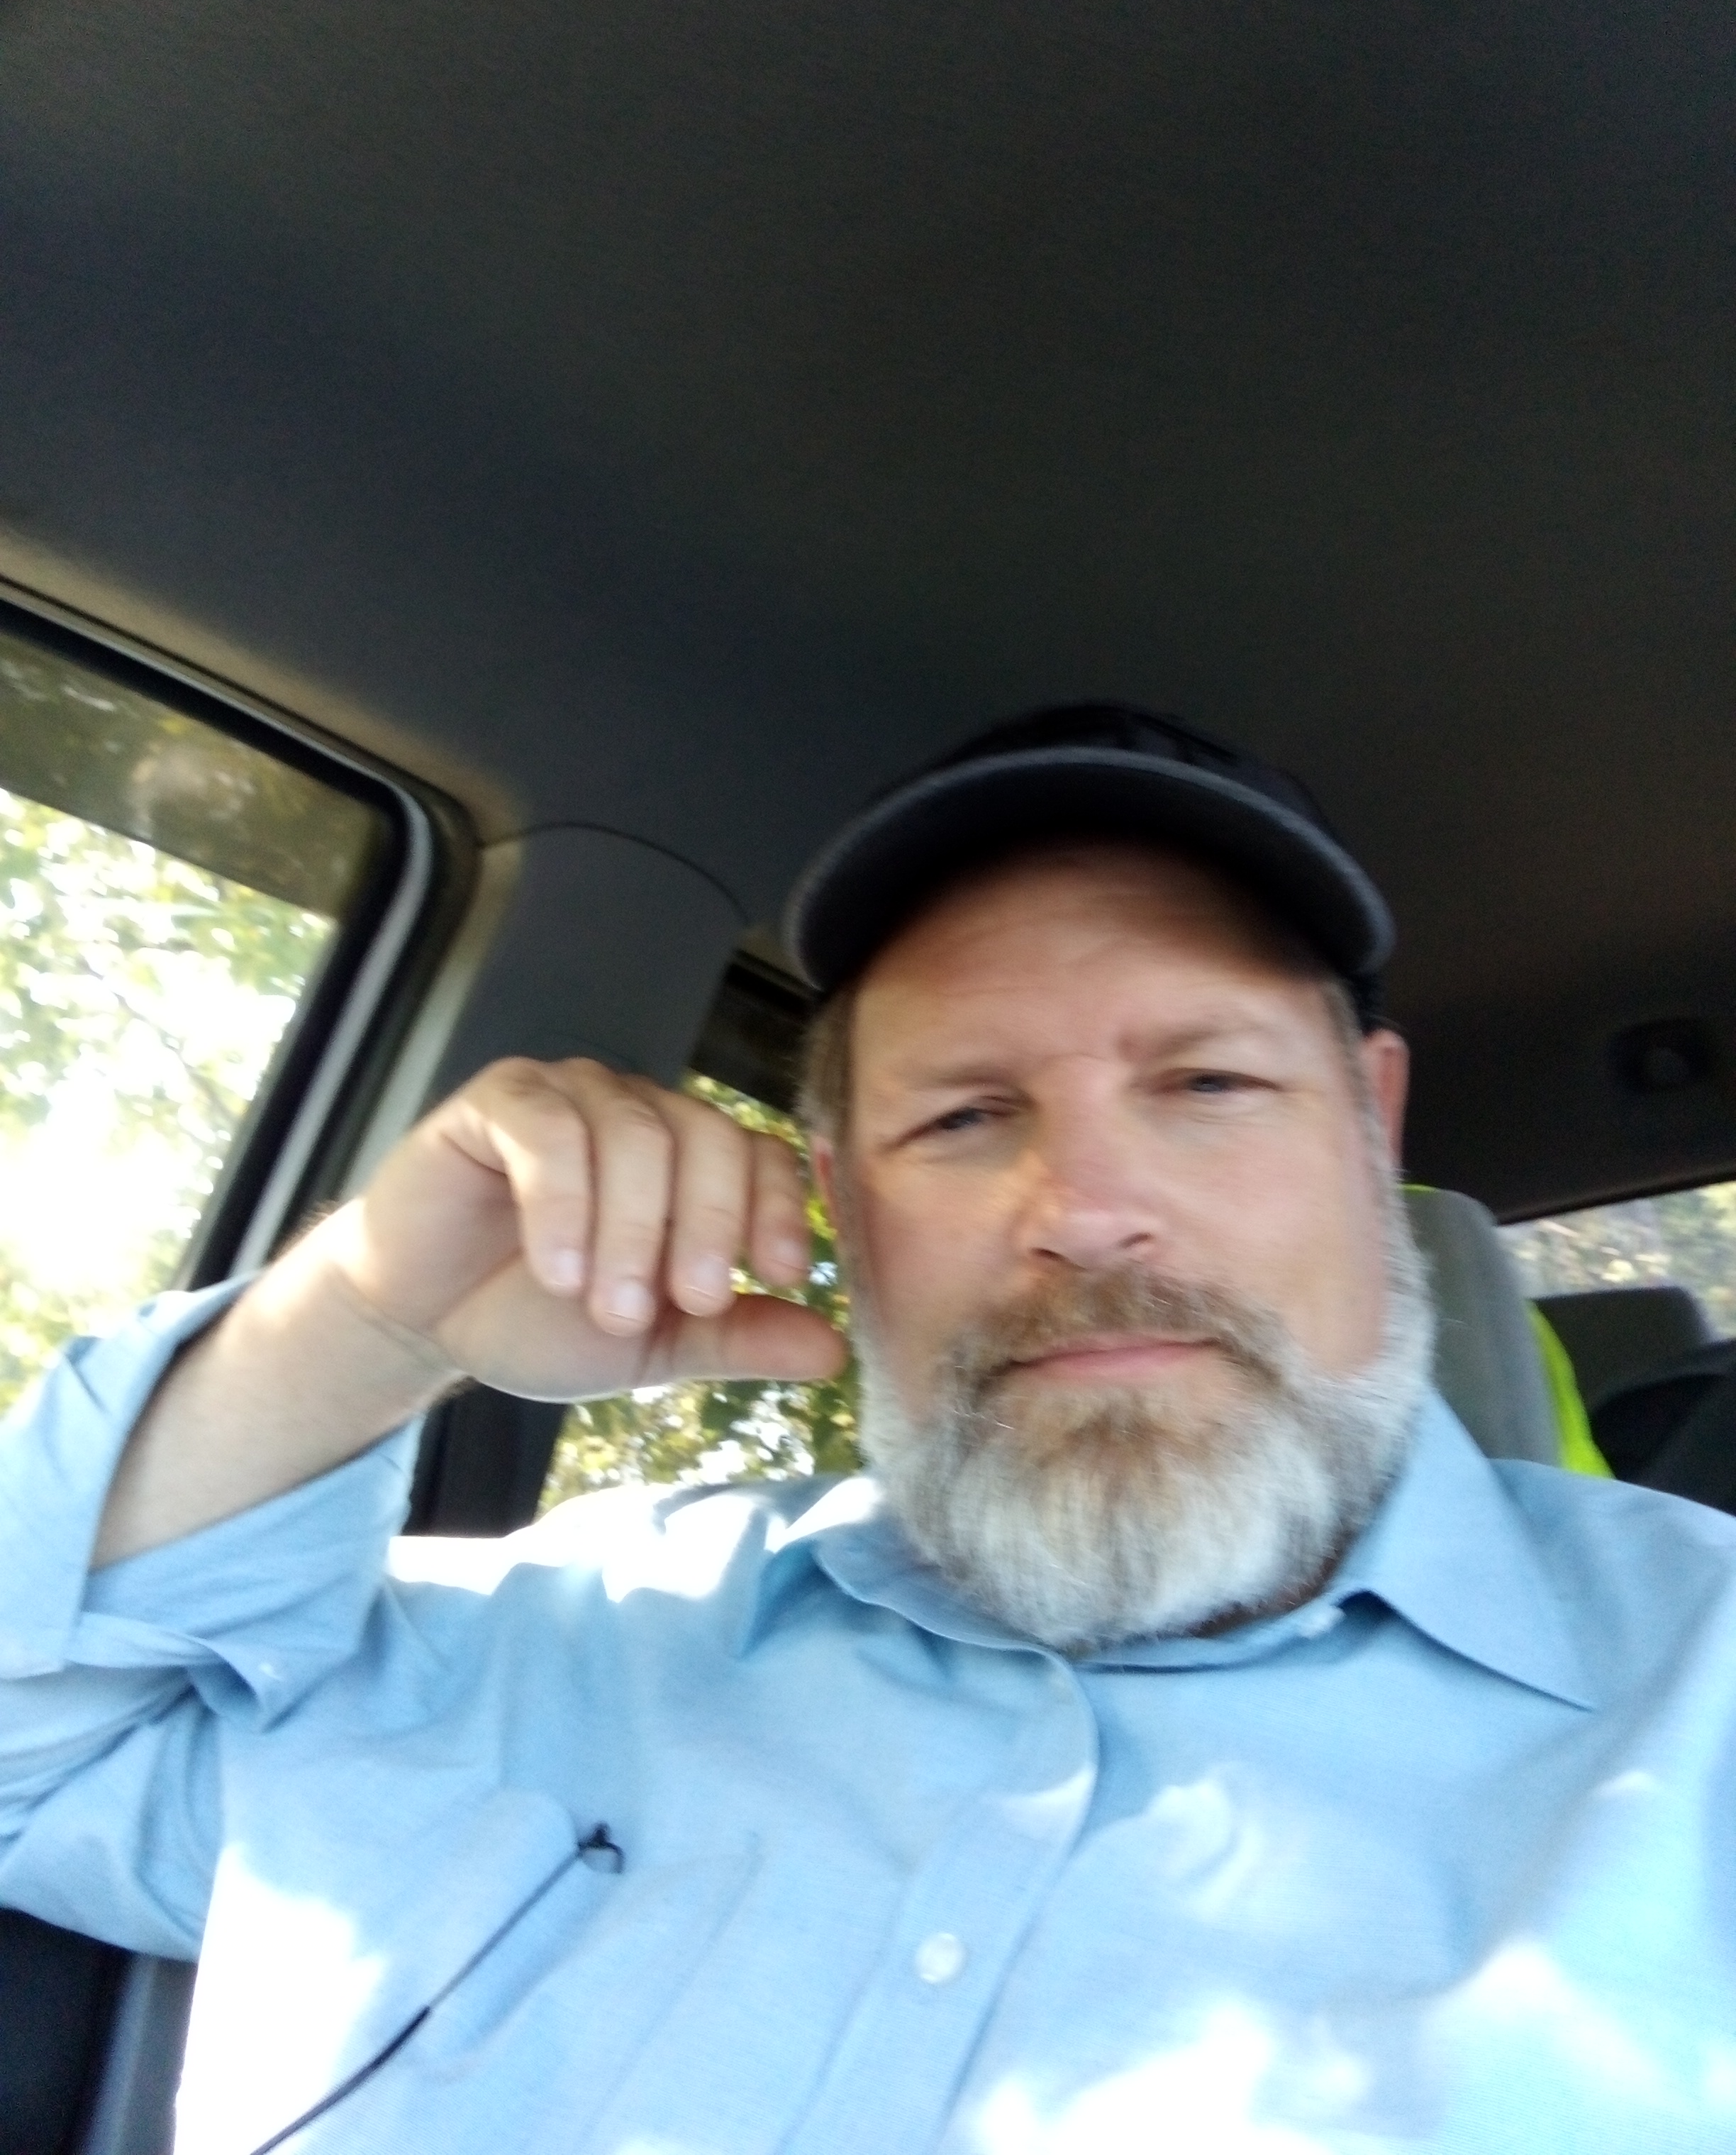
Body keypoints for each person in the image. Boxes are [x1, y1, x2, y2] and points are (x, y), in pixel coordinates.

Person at [2, 703, 1735, 2154]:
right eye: (966, 1116)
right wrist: (369, 1318)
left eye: (1208, 1084)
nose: (1088, 1211)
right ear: (838, 1200)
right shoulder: (584, 1628)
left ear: (1371, 1126)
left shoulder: (1699, 1700)